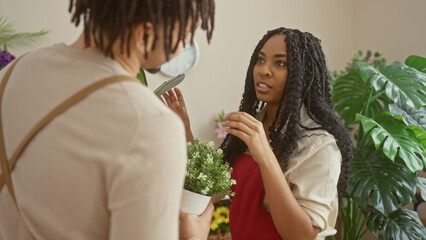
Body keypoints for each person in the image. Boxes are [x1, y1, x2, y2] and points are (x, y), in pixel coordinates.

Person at [0, 0, 215, 239]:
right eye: (186, 32)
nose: (186, 43)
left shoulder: (14, 72)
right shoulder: (150, 124)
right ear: (145, 33)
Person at [162, 27, 353, 240]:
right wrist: (183, 128)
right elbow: (211, 189)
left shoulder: (320, 146)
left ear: (305, 76)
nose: (264, 70)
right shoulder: (252, 127)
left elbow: (303, 235)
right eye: (260, 60)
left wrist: (264, 155)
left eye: (279, 63)